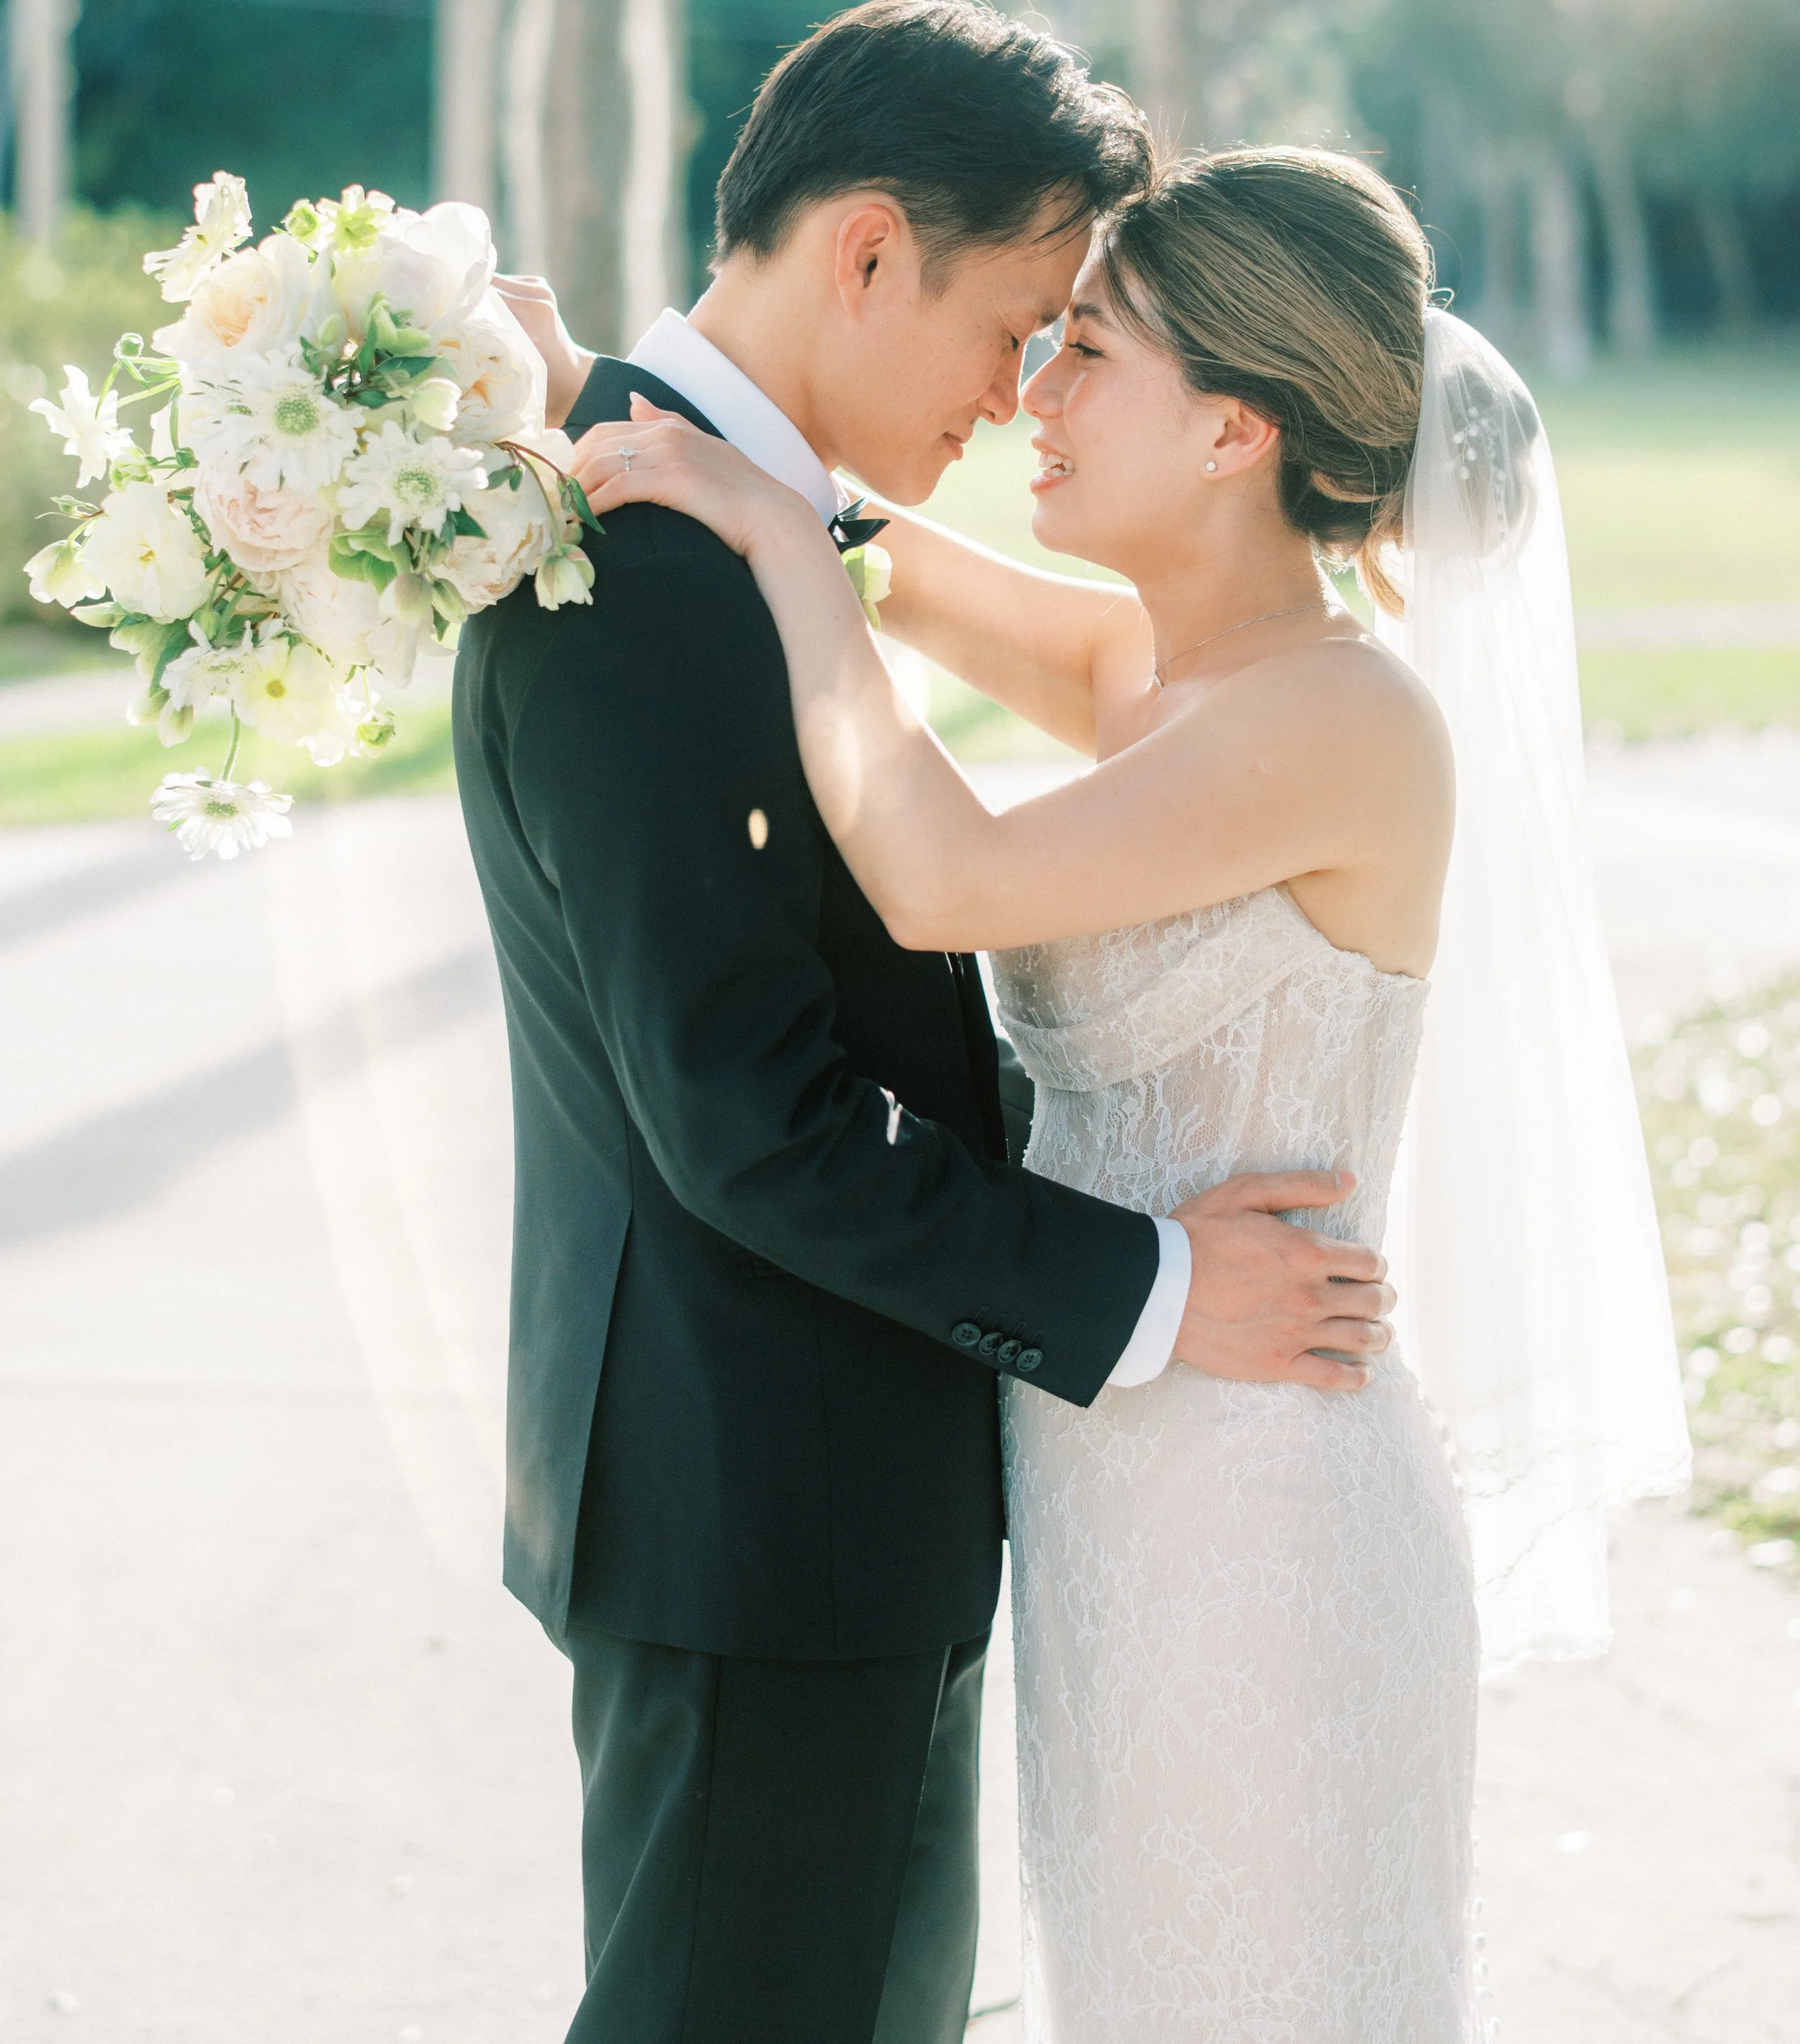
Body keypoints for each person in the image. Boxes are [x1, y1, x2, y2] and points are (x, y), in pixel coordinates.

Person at [572, 143, 1690, 2039]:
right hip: (1111, 1503)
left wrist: (773, 548)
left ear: (1234, 430)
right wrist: (590, 412)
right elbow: (857, 531)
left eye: (1085, 348)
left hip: (1267, 1529)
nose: (1032, 392)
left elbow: (935, 870)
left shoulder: (1343, 720)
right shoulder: (1156, 666)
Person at [453, 1, 1396, 2044]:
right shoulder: (642, 570)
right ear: (870, 248)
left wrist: (735, 485)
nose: (1020, 389)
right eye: (1022, 322)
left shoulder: (710, 529)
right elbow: (750, 1116)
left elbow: (924, 693)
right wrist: (1143, 1290)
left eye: (1084, 346)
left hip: (873, 1511)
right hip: (759, 1521)